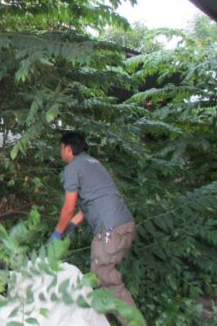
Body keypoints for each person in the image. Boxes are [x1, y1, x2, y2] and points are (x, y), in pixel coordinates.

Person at [49, 131, 138, 326]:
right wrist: (72, 224)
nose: (60, 152)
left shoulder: (72, 167)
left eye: (61, 147)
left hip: (110, 229)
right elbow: (92, 201)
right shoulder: (93, 163)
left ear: (68, 148)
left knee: (105, 279)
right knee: (102, 277)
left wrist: (57, 232)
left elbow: (69, 206)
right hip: (124, 225)